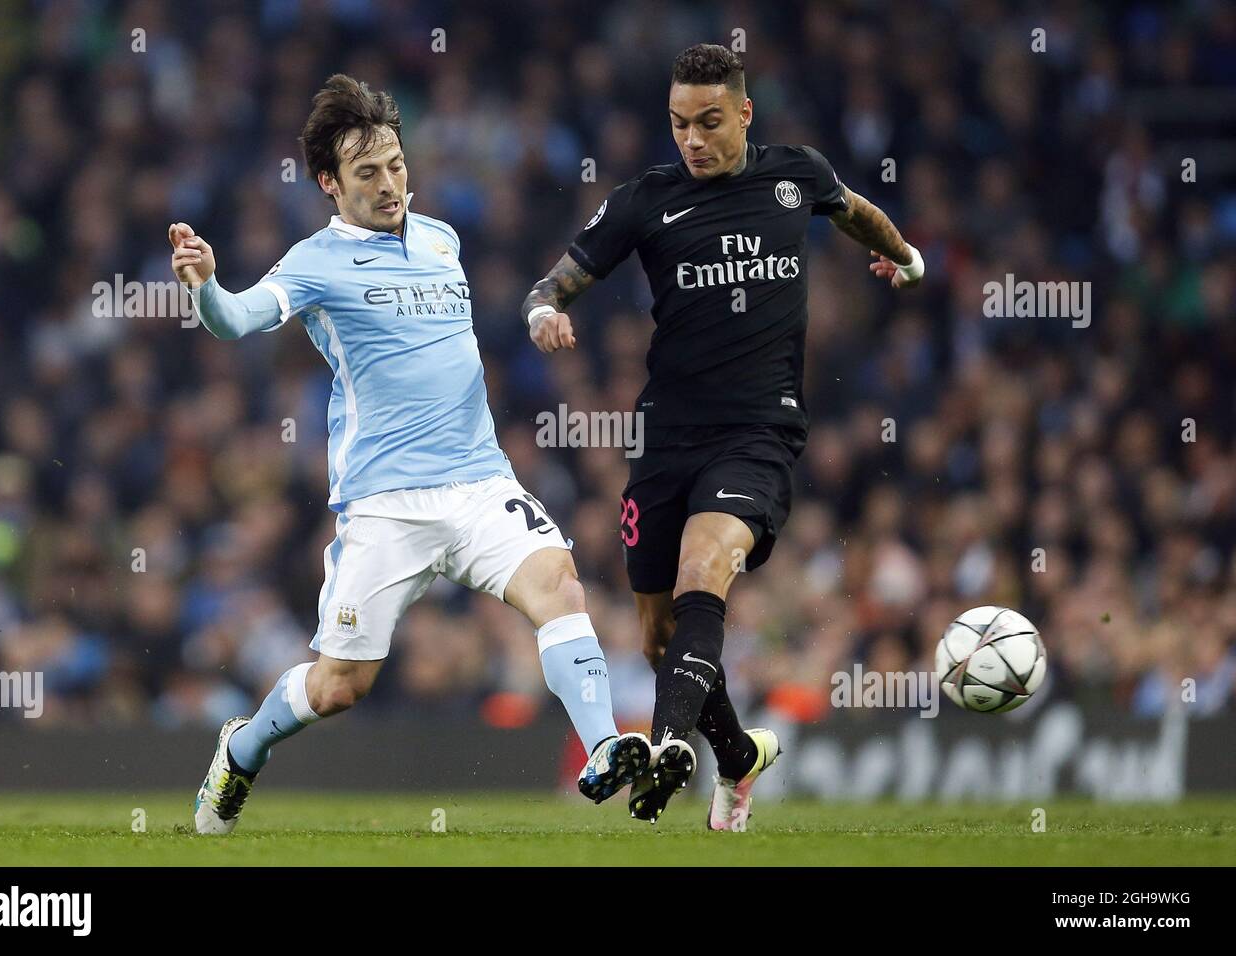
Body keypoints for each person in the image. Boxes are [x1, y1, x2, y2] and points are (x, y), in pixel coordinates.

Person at [173, 75, 649, 835]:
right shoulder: (315, 261)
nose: (391, 183)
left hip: (478, 483)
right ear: (329, 183)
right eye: (368, 172)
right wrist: (204, 286)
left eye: (395, 164)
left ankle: (604, 748)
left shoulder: (441, 238)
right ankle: (242, 747)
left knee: (559, 584)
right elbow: (235, 321)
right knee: (338, 688)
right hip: (385, 504)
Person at [521, 44, 924, 827]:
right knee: (656, 636)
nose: (693, 140)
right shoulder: (646, 200)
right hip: (667, 438)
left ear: (743, 113)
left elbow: (854, 210)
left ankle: (669, 744)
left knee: (704, 568)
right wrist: (544, 312)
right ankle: (738, 758)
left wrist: (904, 258)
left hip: (759, 435)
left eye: (709, 122)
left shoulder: (794, 174)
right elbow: (557, 278)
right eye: (679, 125)